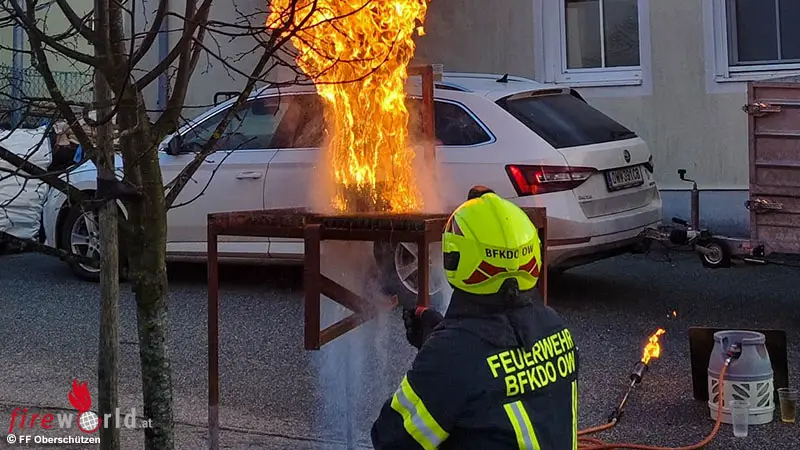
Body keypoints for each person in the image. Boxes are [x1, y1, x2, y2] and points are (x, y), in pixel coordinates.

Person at [371, 186, 580, 450]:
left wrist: (439, 351)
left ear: (455, 258)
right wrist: (443, 336)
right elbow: (498, 375)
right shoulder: (556, 328)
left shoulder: (451, 357)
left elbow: (391, 439)